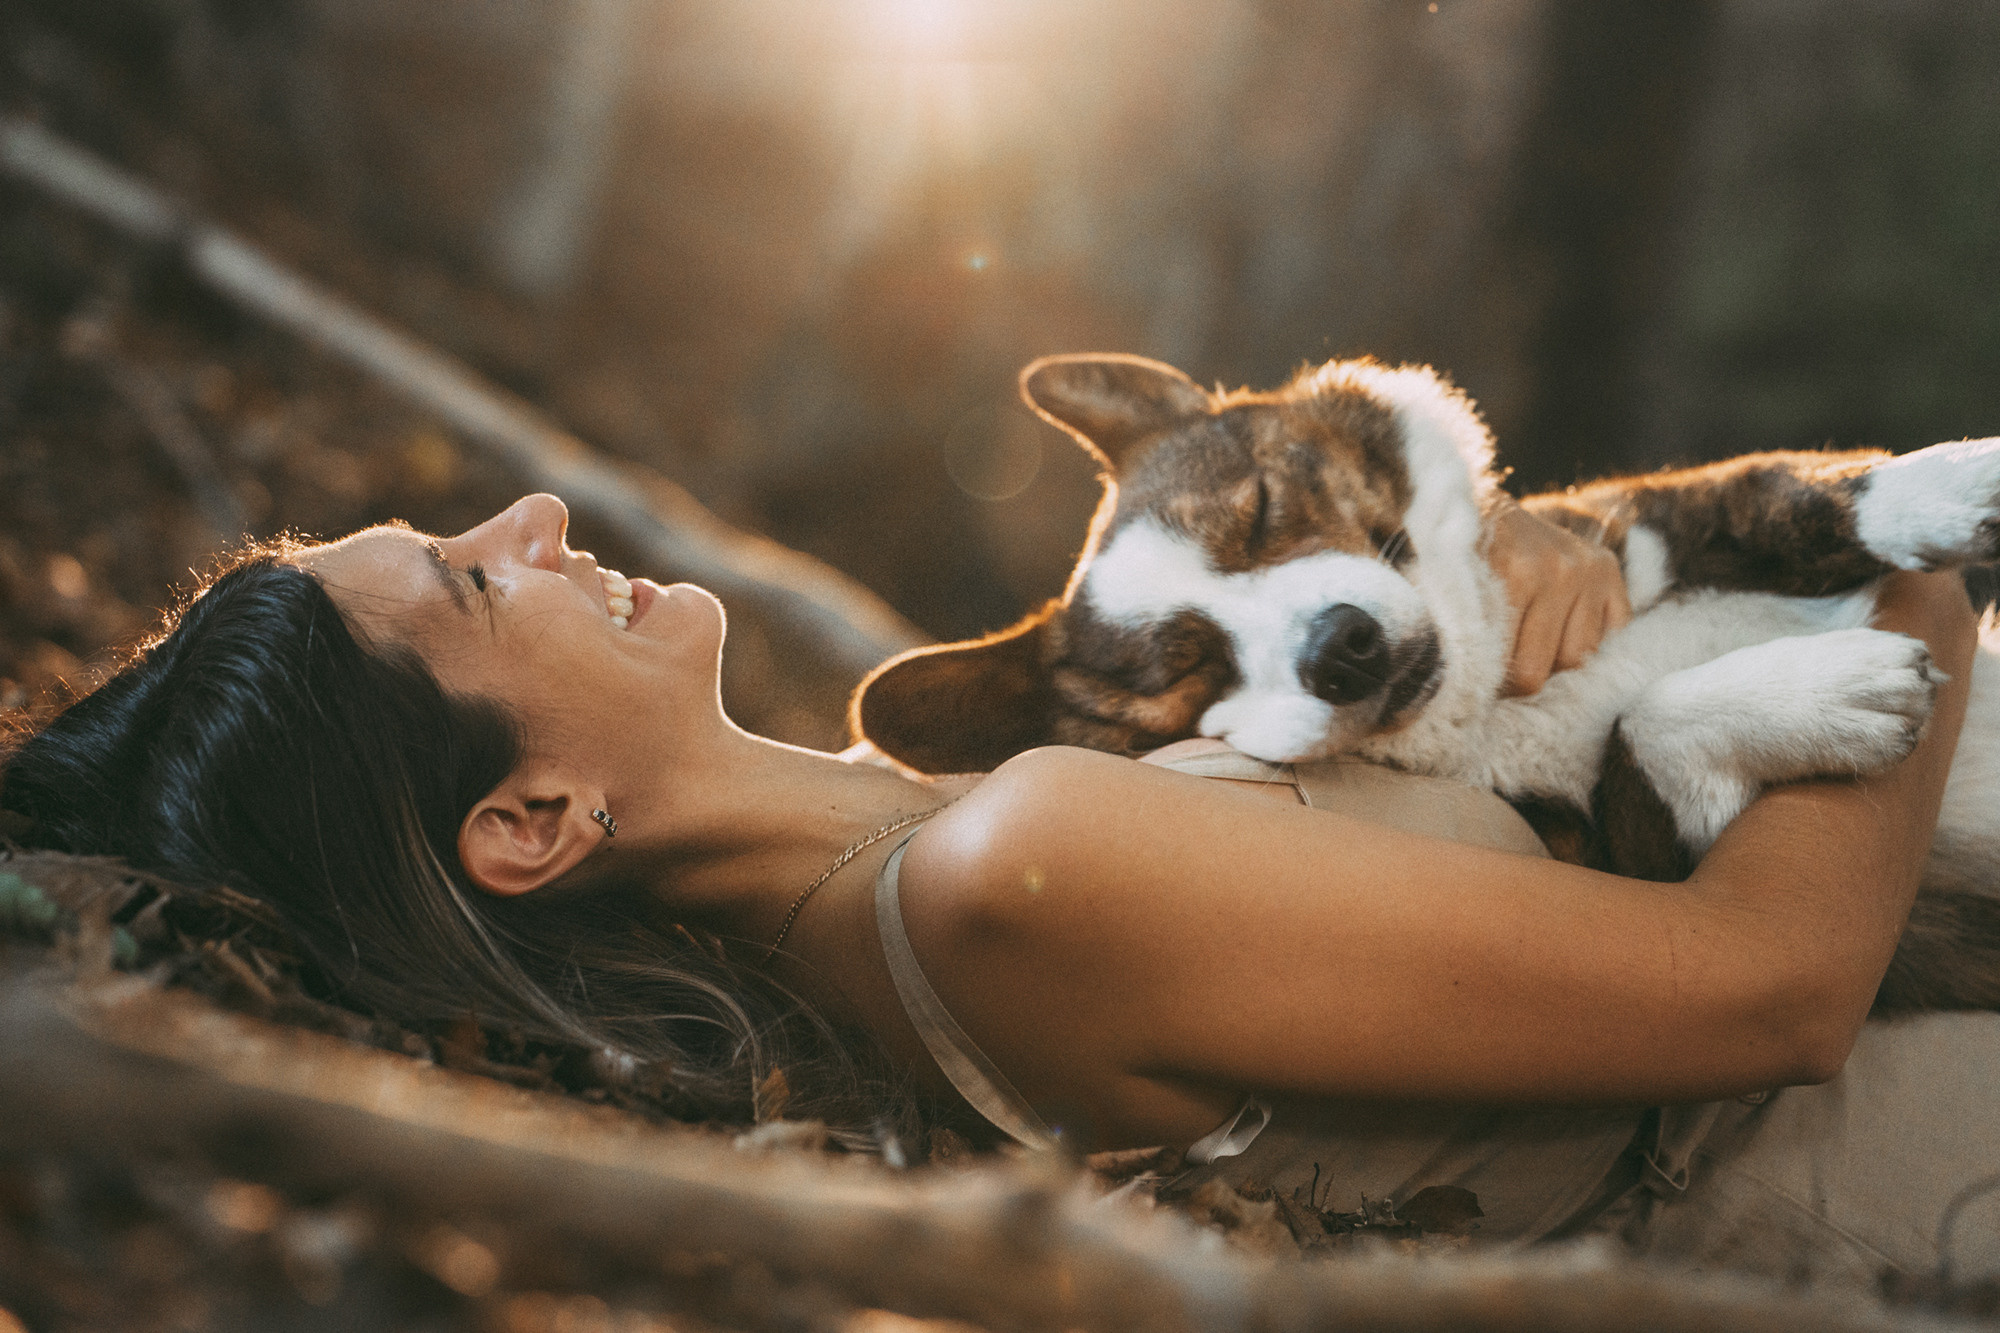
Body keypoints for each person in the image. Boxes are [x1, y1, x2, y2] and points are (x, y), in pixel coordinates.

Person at [1, 493, 1991, 1290]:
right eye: (467, 576)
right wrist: (1900, 543)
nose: (535, 519)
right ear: (530, 822)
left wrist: (1577, 578)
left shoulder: (926, 826)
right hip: (1897, 1145)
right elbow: (1764, 987)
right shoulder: (1010, 878)